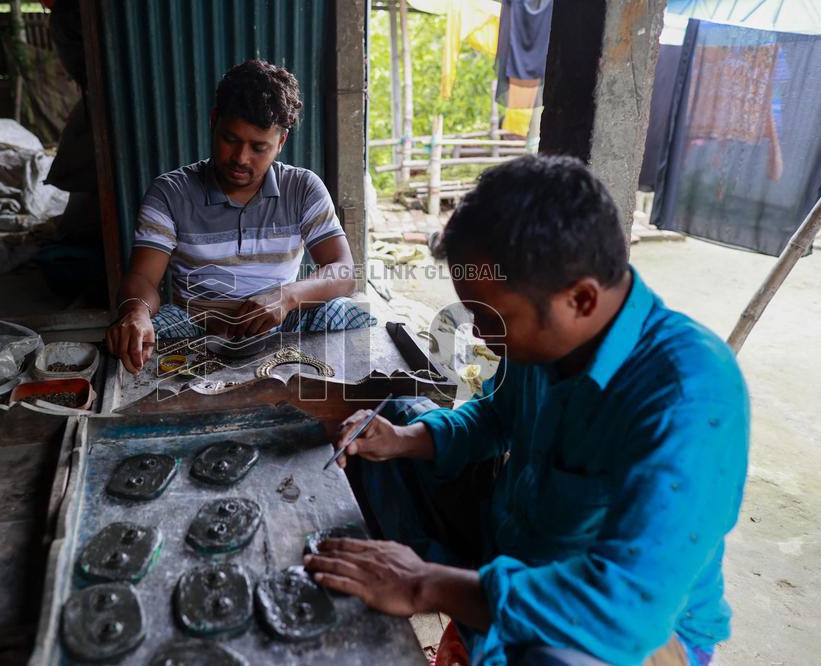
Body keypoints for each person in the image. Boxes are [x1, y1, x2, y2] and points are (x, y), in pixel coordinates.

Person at [304, 155, 749, 665]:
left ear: (580, 300)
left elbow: (623, 612)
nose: (476, 333)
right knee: (403, 417)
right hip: (521, 546)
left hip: (635, 628)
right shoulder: (545, 342)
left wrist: (426, 584)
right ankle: (459, 593)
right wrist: (400, 440)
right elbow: (494, 418)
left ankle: (462, 601)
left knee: (549, 656)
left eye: (491, 318)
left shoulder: (687, 397)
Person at [106, 60, 373, 373]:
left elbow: (343, 272)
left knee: (352, 317)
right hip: (196, 324)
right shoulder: (170, 192)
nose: (240, 158)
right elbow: (141, 278)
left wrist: (287, 297)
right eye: (230, 139)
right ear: (214, 121)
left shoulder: (302, 187)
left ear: (281, 142)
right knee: (135, 341)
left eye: (259, 147)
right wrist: (136, 312)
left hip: (284, 320)